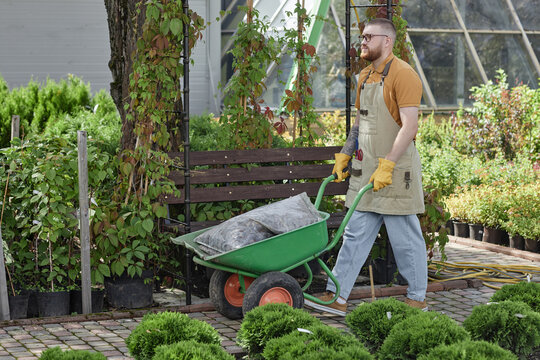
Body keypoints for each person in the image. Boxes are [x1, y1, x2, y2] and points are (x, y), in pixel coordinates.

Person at [304, 18, 427, 316]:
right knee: (354, 235)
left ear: (387, 41)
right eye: (361, 37)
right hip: (366, 171)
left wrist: (388, 164)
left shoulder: (404, 75)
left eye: (369, 37)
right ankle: (338, 296)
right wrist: (345, 155)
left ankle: (417, 298)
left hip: (394, 173)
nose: (363, 41)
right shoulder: (364, 77)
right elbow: (360, 123)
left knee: (404, 239)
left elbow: (409, 127)